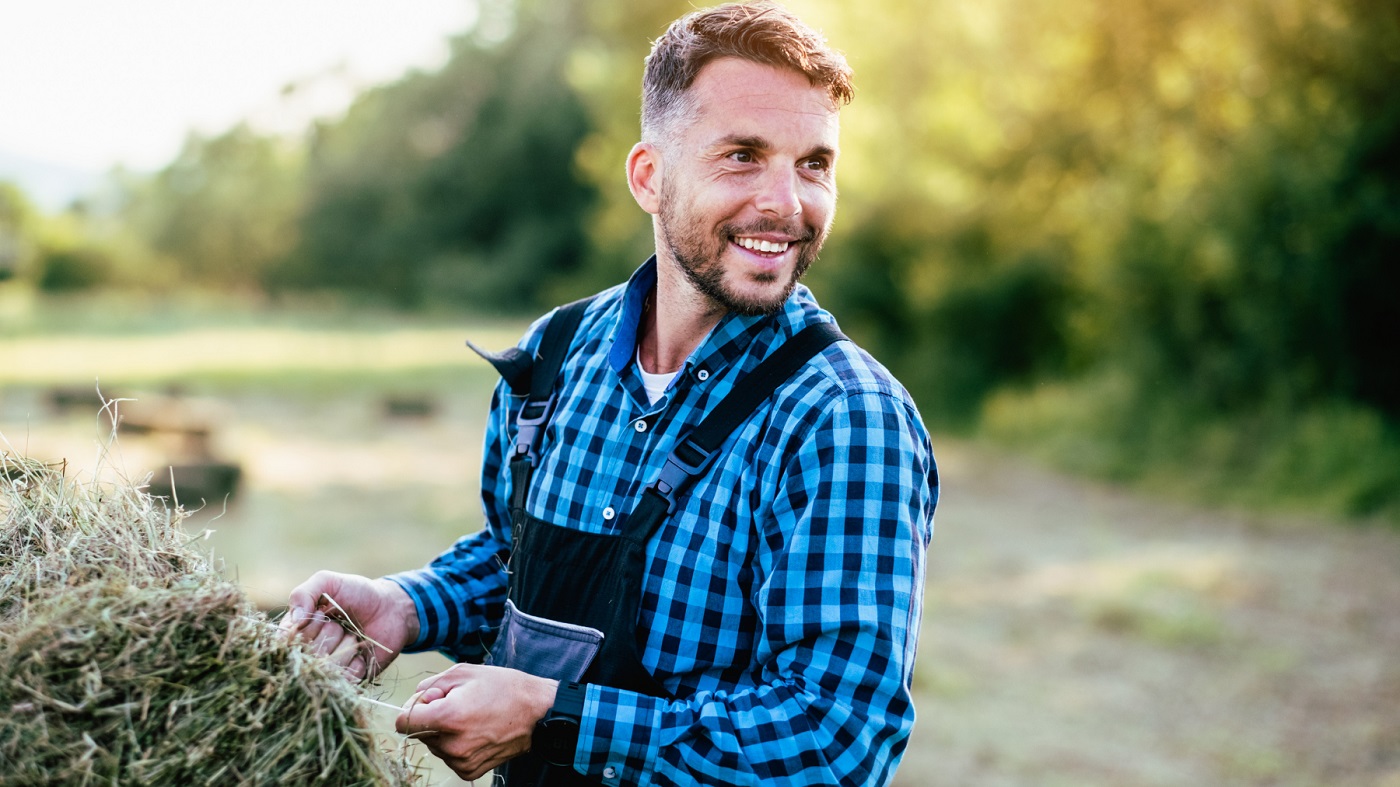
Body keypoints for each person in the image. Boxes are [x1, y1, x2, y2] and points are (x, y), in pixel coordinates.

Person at [280, 3, 938, 785]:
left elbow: (835, 739)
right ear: (649, 177)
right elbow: (515, 560)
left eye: (813, 164)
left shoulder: (845, 418)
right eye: (742, 156)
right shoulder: (554, 357)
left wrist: (552, 718)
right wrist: (407, 604)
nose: (786, 203)